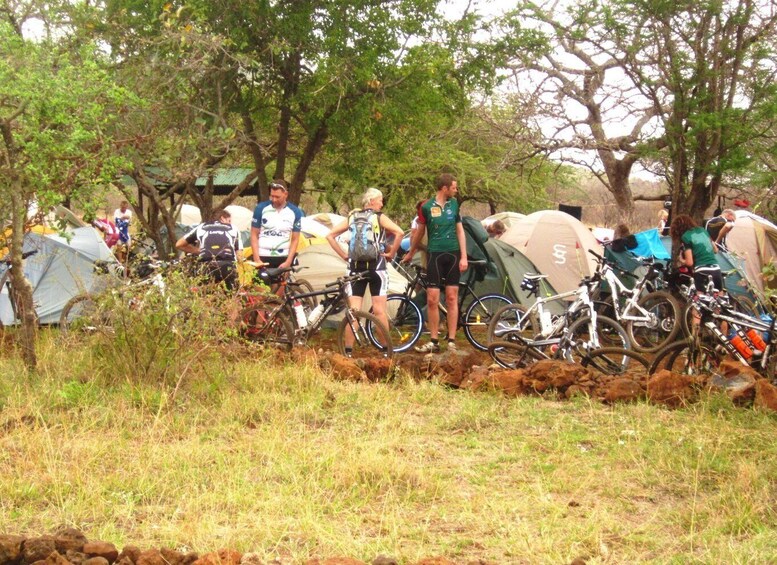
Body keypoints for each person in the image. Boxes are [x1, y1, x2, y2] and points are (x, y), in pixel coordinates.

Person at [326, 188, 404, 357]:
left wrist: (344, 256)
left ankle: (348, 351)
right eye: (380, 200)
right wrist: (391, 253)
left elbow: (330, 235)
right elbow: (400, 232)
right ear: (372, 201)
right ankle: (386, 351)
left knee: (354, 311)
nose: (382, 203)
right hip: (377, 267)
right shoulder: (379, 217)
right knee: (379, 311)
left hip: (355, 267)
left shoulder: (353, 217)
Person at [402, 173, 468, 353]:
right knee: (432, 299)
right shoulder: (426, 207)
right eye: (454, 187)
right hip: (434, 255)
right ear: (444, 188)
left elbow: (460, 231)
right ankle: (434, 340)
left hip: (453, 254)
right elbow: (418, 233)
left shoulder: (454, 205)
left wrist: (463, 256)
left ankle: (452, 340)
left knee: (452, 298)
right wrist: (411, 252)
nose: (456, 190)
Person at [176, 208, 242, 290]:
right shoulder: (233, 228)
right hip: (228, 266)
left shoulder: (202, 226)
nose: (230, 223)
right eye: (229, 220)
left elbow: (179, 244)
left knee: (205, 296)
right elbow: (239, 256)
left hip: (206, 266)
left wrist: (198, 251)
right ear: (222, 218)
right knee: (233, 296)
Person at [250, 179, 304, 269]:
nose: (274, 199)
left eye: (277, 197)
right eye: (272, 196)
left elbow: (295, 239)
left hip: (283, 256)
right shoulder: (260, 208)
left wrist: (288, 261)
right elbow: (254, 234)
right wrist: (256, 259)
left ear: (285, 194)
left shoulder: (295, 212)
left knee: (281, 283)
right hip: (263, 255)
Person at [670, 214, 723, 292]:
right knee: (720, 296)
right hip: (716, 268)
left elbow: (689, 262)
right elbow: (715, 250)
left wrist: (681, 260)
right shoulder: (703, 231)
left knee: (699, 299)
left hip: (702, 270)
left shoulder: (685, 237)